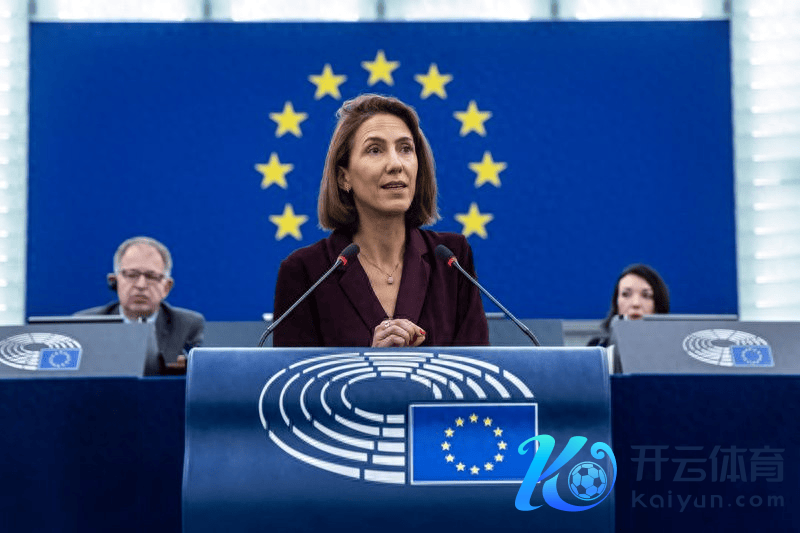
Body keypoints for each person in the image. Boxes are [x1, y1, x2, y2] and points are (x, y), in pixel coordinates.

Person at [273, 94, 489, 347]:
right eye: (375, 150)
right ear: (344, 177)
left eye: (405, 149)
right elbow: (293, 374)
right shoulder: (305, 272)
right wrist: (373, 362)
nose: (396, 164)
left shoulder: (452, 259)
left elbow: (477, 368)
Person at [76, 236, 205, 375]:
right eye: (132, 275)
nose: (141, 285)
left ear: (166, 287)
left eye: (151, 276)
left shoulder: (187, 325)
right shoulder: (85, 324)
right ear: (115, 281)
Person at [588, 263, 670, 348]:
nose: (635, 303)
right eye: (626, 294)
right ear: (616, 303)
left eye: (646, 295)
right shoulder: (598, 348)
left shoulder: (672, 348)